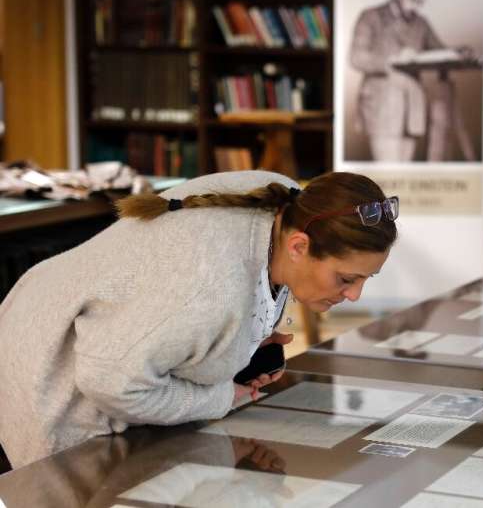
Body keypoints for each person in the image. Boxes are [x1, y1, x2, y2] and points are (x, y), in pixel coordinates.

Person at [0, 170, 398, 468]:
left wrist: (242, 344)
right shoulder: (206, 289)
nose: (354, 294)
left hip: (102, 332)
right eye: (346, 278)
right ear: (298, 245)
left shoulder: (291, 203)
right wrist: (221, 397)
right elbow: (109, 382)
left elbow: (176, 315)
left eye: (366, 278)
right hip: (48, 368)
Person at [350, 0, 476, 162]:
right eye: (413, 0)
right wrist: (393, 59)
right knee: (387, 176)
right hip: (382, 107)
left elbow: (440, 51)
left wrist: (460, 52)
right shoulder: (371, 16)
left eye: (422, 2)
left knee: (403, 179)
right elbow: (356, 57)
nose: (417, 7)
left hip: (413, 108)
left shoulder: (421, 23)